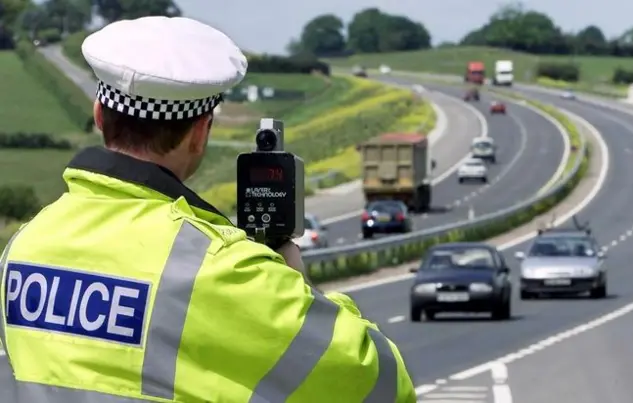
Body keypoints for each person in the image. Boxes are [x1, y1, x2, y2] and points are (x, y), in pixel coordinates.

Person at [0, 16, 416, 402]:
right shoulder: (218, 270)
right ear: (200, 133)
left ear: (97, 115)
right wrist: (299, 288)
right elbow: (377, 384)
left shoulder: (24, 248)